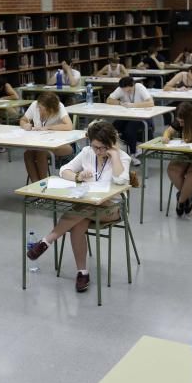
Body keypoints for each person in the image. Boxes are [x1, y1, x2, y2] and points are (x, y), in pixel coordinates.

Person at [26, 121, 130, 293]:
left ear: (111, 144)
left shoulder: (122, 157)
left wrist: (115, 155)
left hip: (112, 208)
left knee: (86, 207)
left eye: (102, 147)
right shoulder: (87, 152)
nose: (98, 151)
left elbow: (121, 180)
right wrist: (78, 176)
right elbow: (63, 170)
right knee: (78, 225)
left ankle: (48, 240)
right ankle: (82, 272)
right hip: (88, 206)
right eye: (95, 146)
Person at [19, 92, 74, 182]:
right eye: (39, 107)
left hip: (59, 144)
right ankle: (36, 184)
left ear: (51, 109)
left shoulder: (59, 107)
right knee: (27, 154)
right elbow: (23, 119)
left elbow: (69, 126)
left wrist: (47, 127)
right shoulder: (35, 105)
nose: (39, 110)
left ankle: (43, 183)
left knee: (41, 152)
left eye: (42, 109)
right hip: (38, 143)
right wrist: (25, 125)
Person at [107, 75, 155, 157]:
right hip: (128, 115)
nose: (127, 92)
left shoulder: (139, 87)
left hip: (142, 116)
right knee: (114, 126)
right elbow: (109, 100)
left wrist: (133, 105)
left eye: (129, 90)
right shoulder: (121, 89)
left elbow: (151, 103)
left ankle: (133, 152)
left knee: (130, 129)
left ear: (133, 85)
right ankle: (115, 147)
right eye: (125, 91)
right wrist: (120, 103)